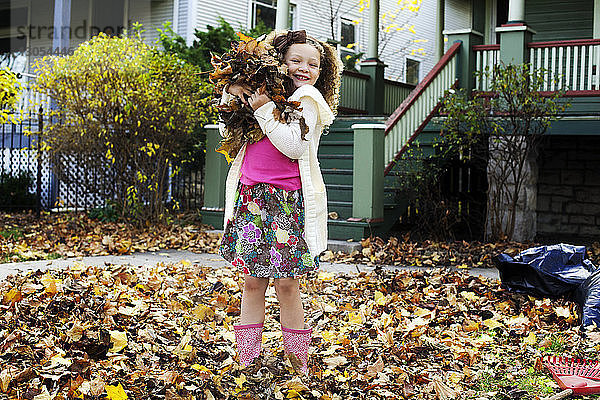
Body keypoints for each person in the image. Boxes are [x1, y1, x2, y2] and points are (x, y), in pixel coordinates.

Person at [217, 29, 342, 374]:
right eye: (296, 60)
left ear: (322, 71)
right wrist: (232, 92)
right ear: (279, 63)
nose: (305, 68)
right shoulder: (264, 95)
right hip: (251, 198)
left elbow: (294, 145)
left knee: (287, 283)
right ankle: (247, 358)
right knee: (252, 281)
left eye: (313, 63)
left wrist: (265, 110)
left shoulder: (309, 100)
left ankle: (298, 360)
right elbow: (226, 127)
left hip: (287, 203)